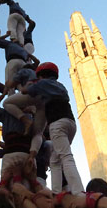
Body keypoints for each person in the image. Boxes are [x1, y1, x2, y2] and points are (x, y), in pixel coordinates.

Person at [22, 62, 84, 196]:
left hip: (57, 124)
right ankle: (56, 192)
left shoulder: (42, 84)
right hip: (71, 123)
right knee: (55, 160)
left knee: (65, 156)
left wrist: (32, 82)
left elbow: (24, 91)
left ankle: (79, 193)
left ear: (41, 75)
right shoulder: (60, 86)